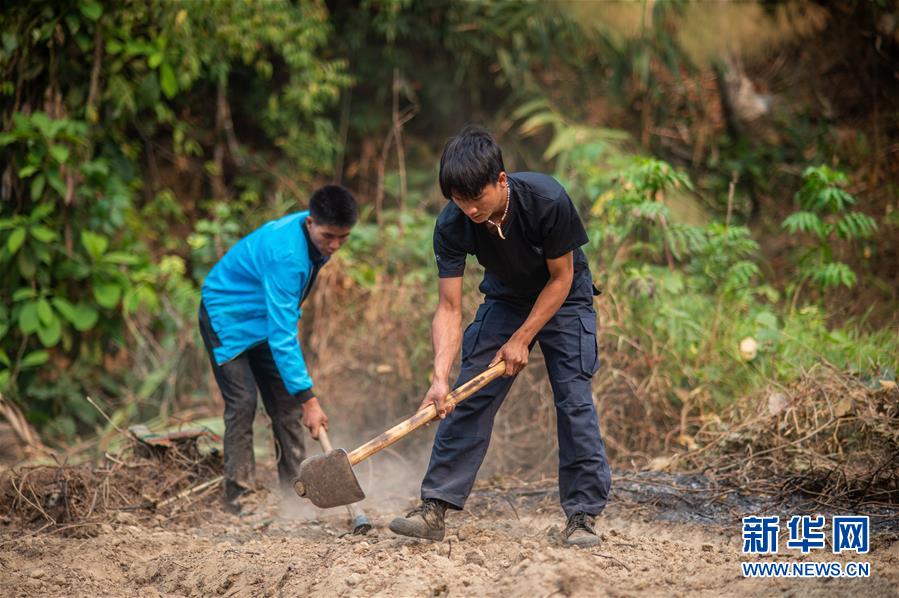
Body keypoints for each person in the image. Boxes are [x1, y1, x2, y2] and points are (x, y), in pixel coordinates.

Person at [388, 127, 611, 547]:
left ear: (501, 180)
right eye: (459, 199)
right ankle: (435, 506)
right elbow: (449, 308)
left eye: (478, 198)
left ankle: (582, 516)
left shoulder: (547, 200)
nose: (470, 209)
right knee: (466, 395)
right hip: (506, 299)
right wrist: (439, 377)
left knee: (573, 399)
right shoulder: (453, 223)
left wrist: (523, 338)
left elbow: (561, 279)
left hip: (564, 298)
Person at [198, 185, 358, 513]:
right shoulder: (288, 255)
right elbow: (284, 335)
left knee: (286, 405)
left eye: (343, 238)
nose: (335, 246)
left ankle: (296, 496)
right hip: (226, 314)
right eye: (329, 236)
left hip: (265, 319)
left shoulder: (315, 239)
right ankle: (239, 498)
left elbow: (280, 325)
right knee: (242, 402)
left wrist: (300, 399)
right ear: (311, 222)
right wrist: (310, 401)